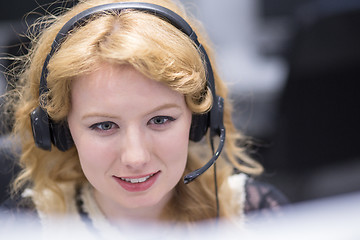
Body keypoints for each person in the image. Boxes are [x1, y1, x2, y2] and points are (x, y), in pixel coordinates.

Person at [0, 0, 288, 236]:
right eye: (104, 125)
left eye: (160, 120)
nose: (135, 158)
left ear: (200, 118)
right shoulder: (28, 226)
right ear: (59, 130)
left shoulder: (254, 215)